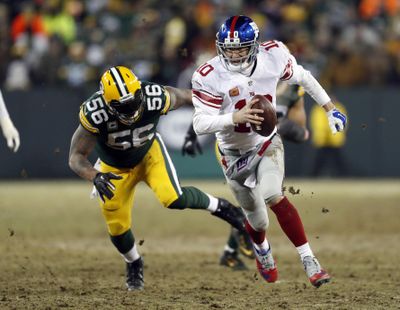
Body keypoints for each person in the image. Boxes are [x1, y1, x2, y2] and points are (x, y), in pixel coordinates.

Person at [190, 15, 347, 288]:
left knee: (273, 194)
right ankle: (262, 251)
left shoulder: (273, 56)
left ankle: (309, 260)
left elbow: (304, 77)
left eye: (241, 48)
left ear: (255, 45)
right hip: (231, 154)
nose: (235, 54)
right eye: (229, 48)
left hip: (265, 143)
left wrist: (329, 108)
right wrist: (234, 118)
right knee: (258, 222)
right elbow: (200, 123)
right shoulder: (209, 75)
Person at [68, 66, 247, 291]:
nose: (132, 107)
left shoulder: (154, 96)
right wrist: (95, 176)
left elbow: (188, 96)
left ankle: (225, 208)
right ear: (108, 104)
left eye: (135, 100)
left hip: (148, 154)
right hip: (113, 168)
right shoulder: (95, 113)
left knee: (173, 198)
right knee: (117, 228)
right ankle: (134, 262)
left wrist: (221, 108)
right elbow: (75, 157)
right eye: (124, 105)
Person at [182, 81, 309, 270]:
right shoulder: (246, 78)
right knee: (250, 200)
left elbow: (303, 132)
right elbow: (209, 106)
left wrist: (283, 127)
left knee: (263, 198)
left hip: (263, 146)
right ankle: (235, 248)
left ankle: (231, 251)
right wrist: (191, 134)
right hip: (234, 150)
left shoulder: (294, 90)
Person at [310, 100, 348, 177]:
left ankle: (343, 176)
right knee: (320, 160)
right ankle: (313, 176)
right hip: (322, 139)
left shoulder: (338, 107)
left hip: (334, 139)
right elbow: (317, 123)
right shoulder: (318, 109)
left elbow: (343, 122)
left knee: (337, 160)